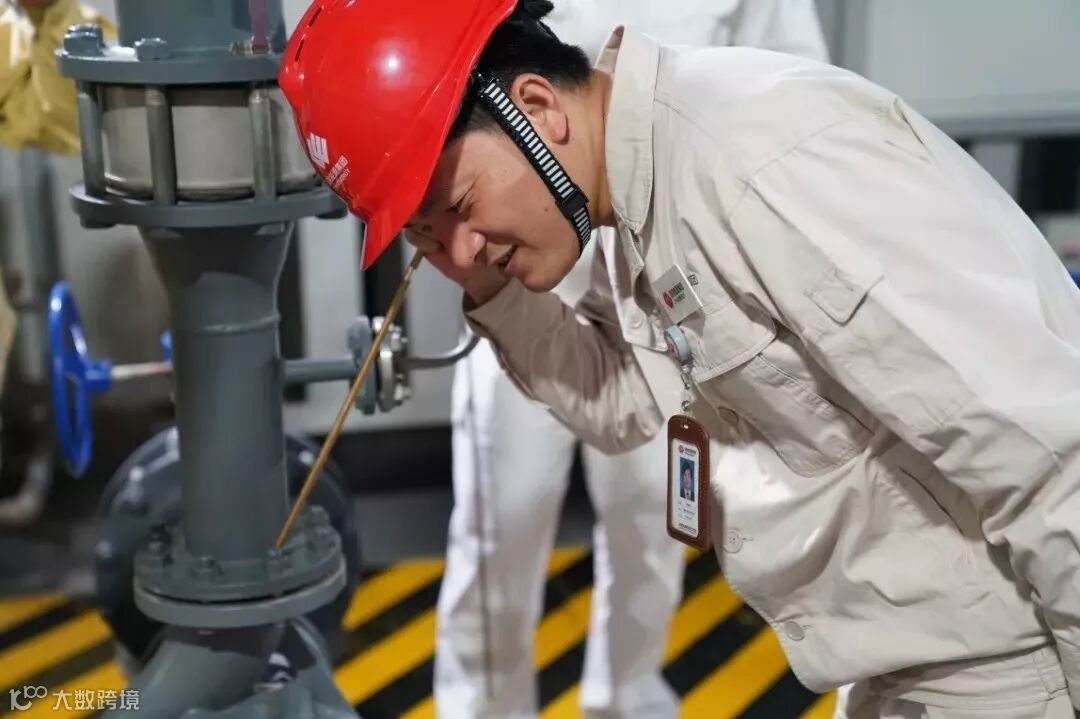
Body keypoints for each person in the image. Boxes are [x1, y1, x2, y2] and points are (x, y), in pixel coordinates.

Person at [280, 1, 1080, 717]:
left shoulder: (759, 166)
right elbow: (622, 399)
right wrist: (489, 280)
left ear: (538, 108)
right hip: (908, 671)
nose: (457, 252)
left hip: (1009, 672)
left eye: (458, 207)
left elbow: (1048, 458)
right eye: (425, 236)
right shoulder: (633, 190)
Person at [440, 2, 828, 717]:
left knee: (653, 517)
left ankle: (627, 700)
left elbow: (792, 82)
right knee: (503, 518)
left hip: (670, 280)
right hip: (516, 258)